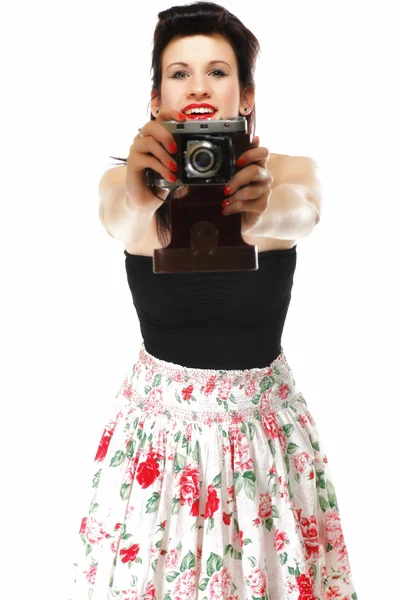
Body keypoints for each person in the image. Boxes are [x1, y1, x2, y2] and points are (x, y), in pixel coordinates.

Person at [69, 2, 358, 599]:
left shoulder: (290, 173)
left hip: (264, 439)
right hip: (158, 439)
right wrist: (143, 191)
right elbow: (119, 222)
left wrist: (259, 202)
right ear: (155, 99)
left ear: (246, 95)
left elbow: (303, 213)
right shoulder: (123, 185)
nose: (198, 87)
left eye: (217, 72)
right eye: (178, 73)